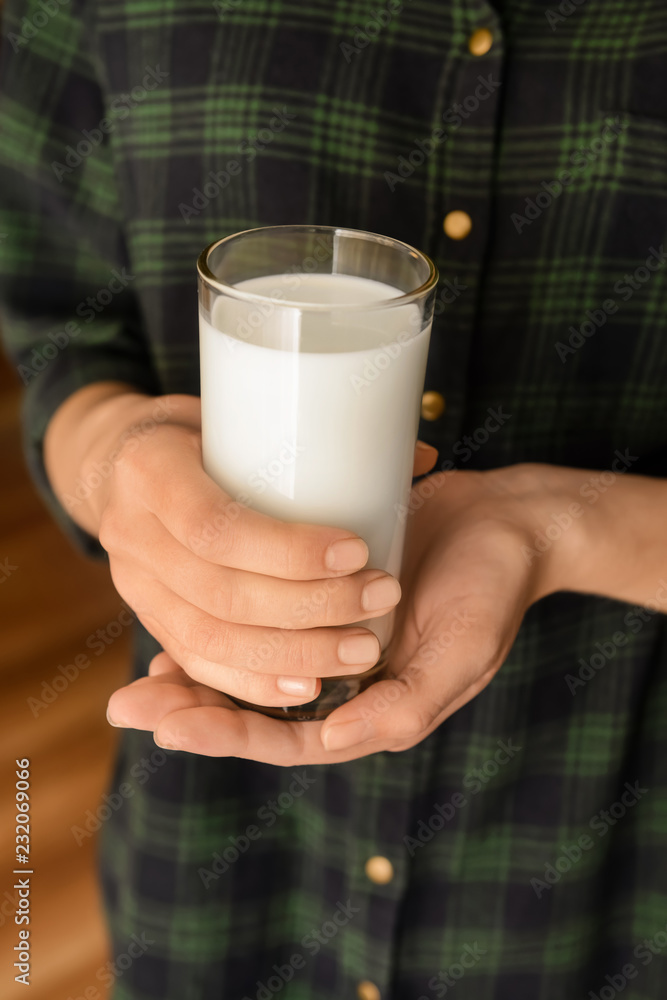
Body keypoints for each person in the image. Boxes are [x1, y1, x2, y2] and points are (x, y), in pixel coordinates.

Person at [1, 0, 667, 997]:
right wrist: (114, 456)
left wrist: (564, 527)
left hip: (603, 848)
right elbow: (63, 335)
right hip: (218, 841)